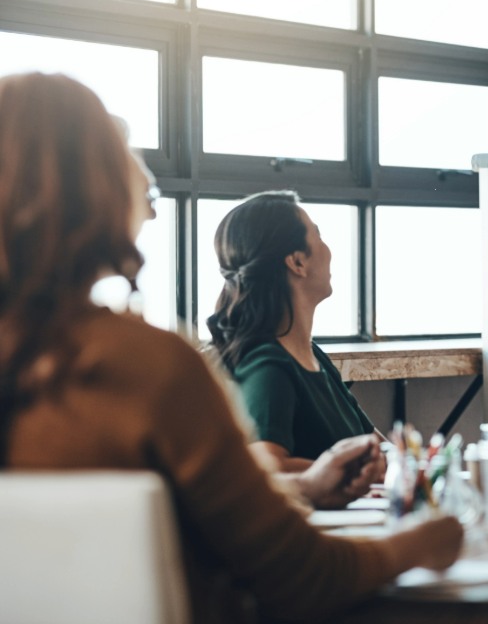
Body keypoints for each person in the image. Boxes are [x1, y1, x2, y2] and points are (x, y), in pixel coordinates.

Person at [0, 72, 461, 623]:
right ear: (94, 187)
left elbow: (186, 516)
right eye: (126, 151)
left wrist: (305, 489)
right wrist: (428, 540)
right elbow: (306, 579)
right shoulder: (146, 367)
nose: (147, 178)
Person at [207, 191, 385, 477]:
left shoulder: (314, 356)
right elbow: (266, 466)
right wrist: (345, 473)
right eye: (319, 236)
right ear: (297, 263)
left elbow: (376, 445)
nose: (329, 250)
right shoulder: (267, 365)